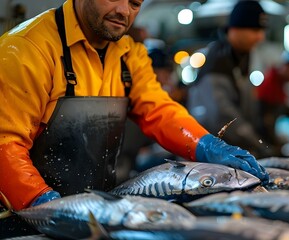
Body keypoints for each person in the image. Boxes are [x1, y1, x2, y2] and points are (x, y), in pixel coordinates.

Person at [0, 0, 268, 235]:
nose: (123, 11)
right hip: (22, 220)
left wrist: (206, 145)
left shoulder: (128, 53)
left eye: (135, 3)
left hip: (96, 213)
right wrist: (43, 204)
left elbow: (159, 111)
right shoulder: (27, 48)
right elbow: (4, 143)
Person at [187, 0, 272, 158]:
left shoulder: (241, 57)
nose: (260, 37)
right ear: (235, 29)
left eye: (262, 30)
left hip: (229, 154)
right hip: (208, 159)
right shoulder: (217, 61)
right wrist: (261, 146)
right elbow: (222, 117)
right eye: (254, 30)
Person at [256, 51, 289, 147]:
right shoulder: (269, 84)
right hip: (259, 141)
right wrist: (275, 146)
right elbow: (264, 123)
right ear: (287, 66)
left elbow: (285, 109)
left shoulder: (280, 84)